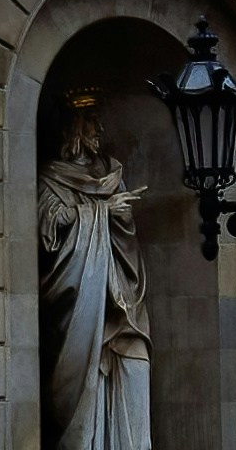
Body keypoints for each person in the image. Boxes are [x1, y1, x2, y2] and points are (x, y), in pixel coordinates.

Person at [44, 109, 157, 450]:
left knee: (136, 365)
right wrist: (101, 211)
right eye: (93, 127)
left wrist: (120, 216)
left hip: (120, 296)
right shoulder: (52, 178)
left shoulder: (111, 174)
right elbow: (47, 227)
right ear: (76, 130)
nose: (100, 133)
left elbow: (127, 237)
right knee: (86, 383)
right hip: (79, 297)